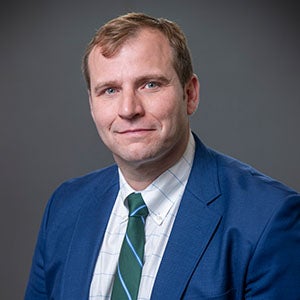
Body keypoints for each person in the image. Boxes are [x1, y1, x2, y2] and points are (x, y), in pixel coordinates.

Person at [25, 12, 300, 300]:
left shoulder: (269, 218)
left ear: (190, 94)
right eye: (109, 90)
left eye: (150, 85)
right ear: (92, 105)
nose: (128, 109)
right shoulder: (65, 207)